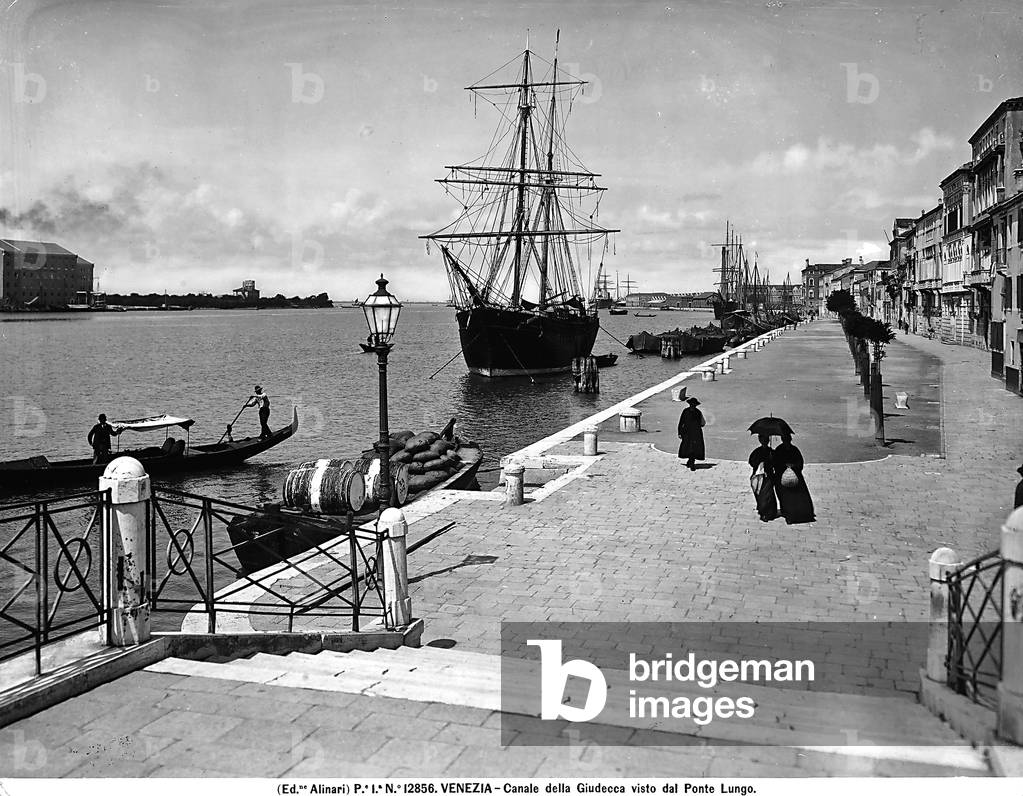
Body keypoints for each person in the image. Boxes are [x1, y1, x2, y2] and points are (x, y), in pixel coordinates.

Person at [772, 432, 815, 524]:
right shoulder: (790, 449)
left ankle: (792, 514)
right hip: (788, 475)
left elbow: (798, 463)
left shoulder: (782, 449)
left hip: (791, 476)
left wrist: (790, 466)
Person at [748, 433, 778, 522]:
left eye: (766, 440)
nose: (765, 442)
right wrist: (760, 463)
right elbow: (751, 461)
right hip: (758, 476)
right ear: (760, 440)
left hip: (768, 477)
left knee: (767, 495)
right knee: (760, 494)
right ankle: (763, 511)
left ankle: (768, 512)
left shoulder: (771, 452)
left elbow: (775, 463)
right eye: (763, 440)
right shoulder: (757, 452)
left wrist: (770, 459)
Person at [677, 397, 706, 471]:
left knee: (691, 448)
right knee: (691, 447)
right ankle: (691, 461)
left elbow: (681, 422)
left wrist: (680, 432)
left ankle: (691, 462)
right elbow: (702, 423)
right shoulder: (697, 412)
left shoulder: (686, 411)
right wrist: (680, 432)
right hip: (692, 433)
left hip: (691, 433)